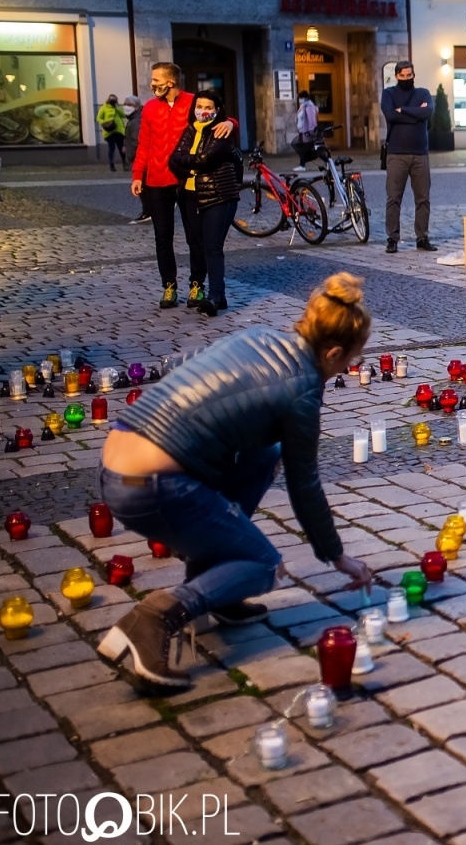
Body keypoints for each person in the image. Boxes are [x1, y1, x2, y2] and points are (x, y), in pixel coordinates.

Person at [95, 274, 378, 689]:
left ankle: (217, 584)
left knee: (265, 454)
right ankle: (155, 617)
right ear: (333, 351)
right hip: (151, 486)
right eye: (351, 359)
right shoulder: (302, 390)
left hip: (117, 465)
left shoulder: (261, 336)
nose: (349, 367)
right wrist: (337, 557)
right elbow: (306, 485)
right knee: (264, 564)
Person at [131, 63, 233, 309]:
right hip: (156, 181)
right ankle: (169, 286)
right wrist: (137, 175)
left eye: (156, 80)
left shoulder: (192, 101)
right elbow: (144, 143)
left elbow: (217, 115)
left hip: (187, 181)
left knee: (195, 237)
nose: (152, 84)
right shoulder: (149, 108)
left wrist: (231, 123)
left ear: (170, 82)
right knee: (162, 236)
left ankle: (197, 284)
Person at [169, 89, 242, 317]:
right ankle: (218, 295)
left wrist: (190, 164)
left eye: (208, 107)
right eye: (199, 107)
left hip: (218, 194)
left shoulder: (222, 130)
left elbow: (207, 158)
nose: (203, 111)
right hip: (190, 195)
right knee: (198, 244)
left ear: (217, 110)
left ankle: (214, 296)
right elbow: (173, 159)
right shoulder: (190, 129)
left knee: (212, 246)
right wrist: (194, 164)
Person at [381, 61, 435, 254]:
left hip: (420, 154)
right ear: (396, 76)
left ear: (414, 75)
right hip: (396, 154)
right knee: (393, 198)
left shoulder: (423, 93)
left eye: (409, 75)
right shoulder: (388, 94)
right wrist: (416, 114)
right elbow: (390, 115)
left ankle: (422, 238)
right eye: (402, 76)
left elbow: (427, 111)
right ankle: (392, 238)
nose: (406, 79)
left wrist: (403, 110)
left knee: (423, 199)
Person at [123, 96, 147, 222]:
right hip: (135, 156)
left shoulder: (136, 120)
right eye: (125, 103)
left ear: (137, 107)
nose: (126, 106)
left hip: (138, 158)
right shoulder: (133, 119)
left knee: (143, 187)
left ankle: (148, 211)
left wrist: (131, 155)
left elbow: (137, 141)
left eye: (130, 104)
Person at [98, 93, 128, 172]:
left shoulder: (118, 107)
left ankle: (125, 164)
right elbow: (98, 118)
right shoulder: (104, 108)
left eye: (114, 100)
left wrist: (117, 108)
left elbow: (124, 115)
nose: (112, 101)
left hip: (119, 131)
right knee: (112, 148)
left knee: (122, 148)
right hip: (109, 131)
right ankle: (111, 165)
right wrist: (105, 123)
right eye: (111, 100)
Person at [292, 90, 321, 171]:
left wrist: (310, 132)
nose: (300, 100)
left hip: (307, 132)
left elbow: (312, 121)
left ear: (305, 98)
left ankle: (302, 165)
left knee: (303, 148)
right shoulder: (303, 106)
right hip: (302, 131)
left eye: (301, 98)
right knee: (304, 148)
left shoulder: (309, 107)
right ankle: (303, 164)